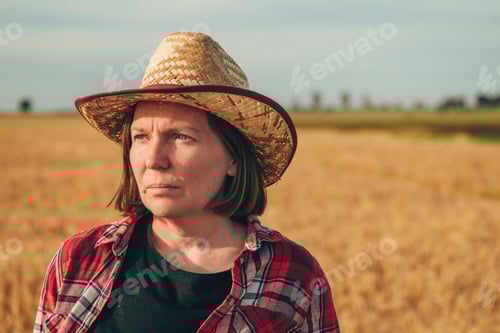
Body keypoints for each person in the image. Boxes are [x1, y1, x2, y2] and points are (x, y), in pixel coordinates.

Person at [33, 32, 340, 332]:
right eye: (141, 137)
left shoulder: (292, 277)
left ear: (233, 157)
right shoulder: (77, 261)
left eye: (180, 136)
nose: (154, 159)